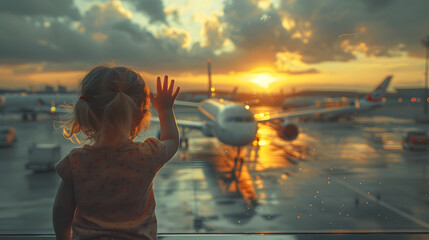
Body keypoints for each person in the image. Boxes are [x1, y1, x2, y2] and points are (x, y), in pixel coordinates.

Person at [52, 66, 180, 240]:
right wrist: (165, 110)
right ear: (141, 115)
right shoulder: (147, 155)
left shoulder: (76, 161)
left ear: (88, 109)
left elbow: (61, 211)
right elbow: (172, 140)